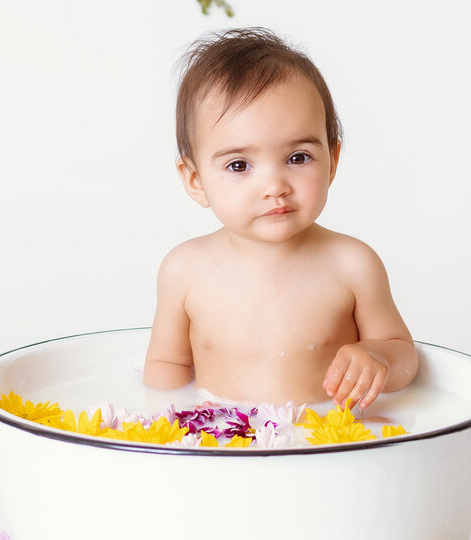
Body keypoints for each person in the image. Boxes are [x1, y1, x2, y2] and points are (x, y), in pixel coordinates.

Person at [143, 28, 417, 410]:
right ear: (195, 181)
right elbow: (165, 368)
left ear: (332, 161)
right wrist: (160, 427)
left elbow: (405, 355)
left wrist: (381, 357)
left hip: (327, 444)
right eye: (239, 165)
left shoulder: (352, 264)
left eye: (298, 158)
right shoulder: (184, 270)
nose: (274, 186)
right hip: (218, 442)